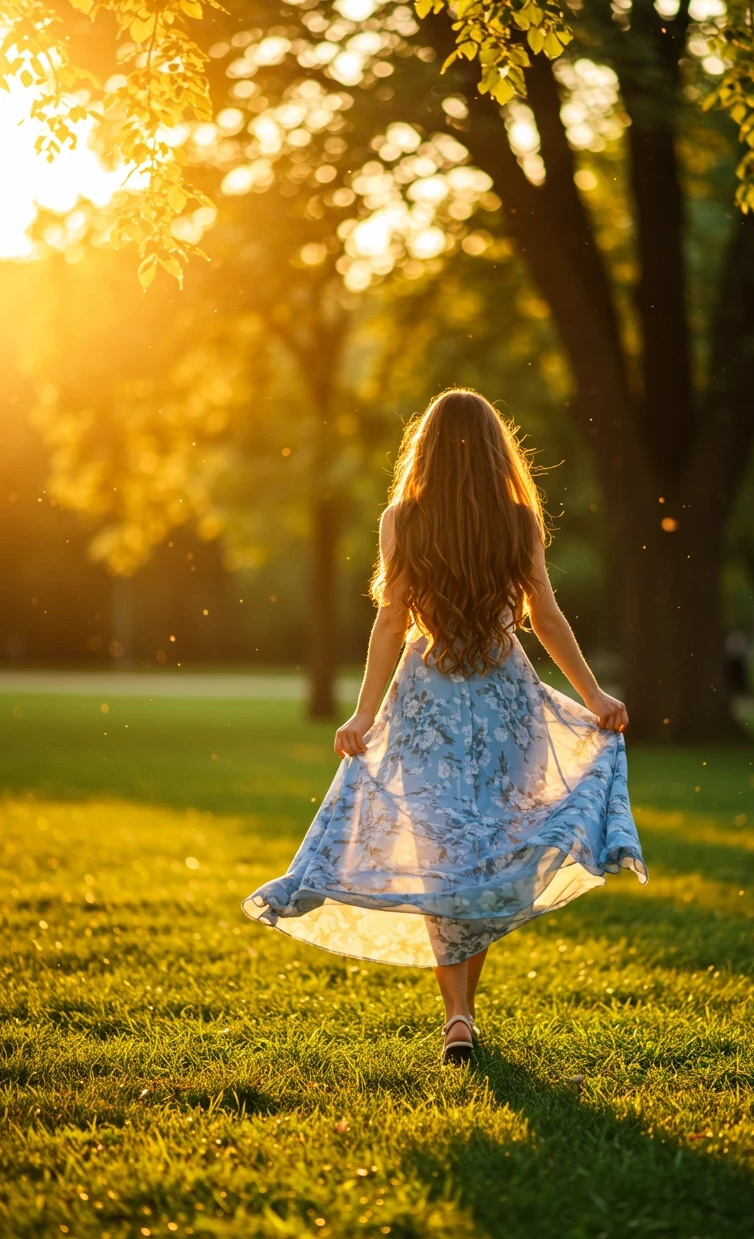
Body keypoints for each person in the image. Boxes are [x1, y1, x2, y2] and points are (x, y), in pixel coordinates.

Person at [243, 389, 649, 1065]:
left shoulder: (401, 519)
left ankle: (457, 1015)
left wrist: (366, 712)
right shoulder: (519, 522)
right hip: (505, 707)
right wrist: (595, 693)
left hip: (425, 707)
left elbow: (390, 623)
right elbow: (545, 618)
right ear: (497, 453)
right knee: (486, 857)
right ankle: (467, 1011)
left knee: (442, 862)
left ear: (424, 450)